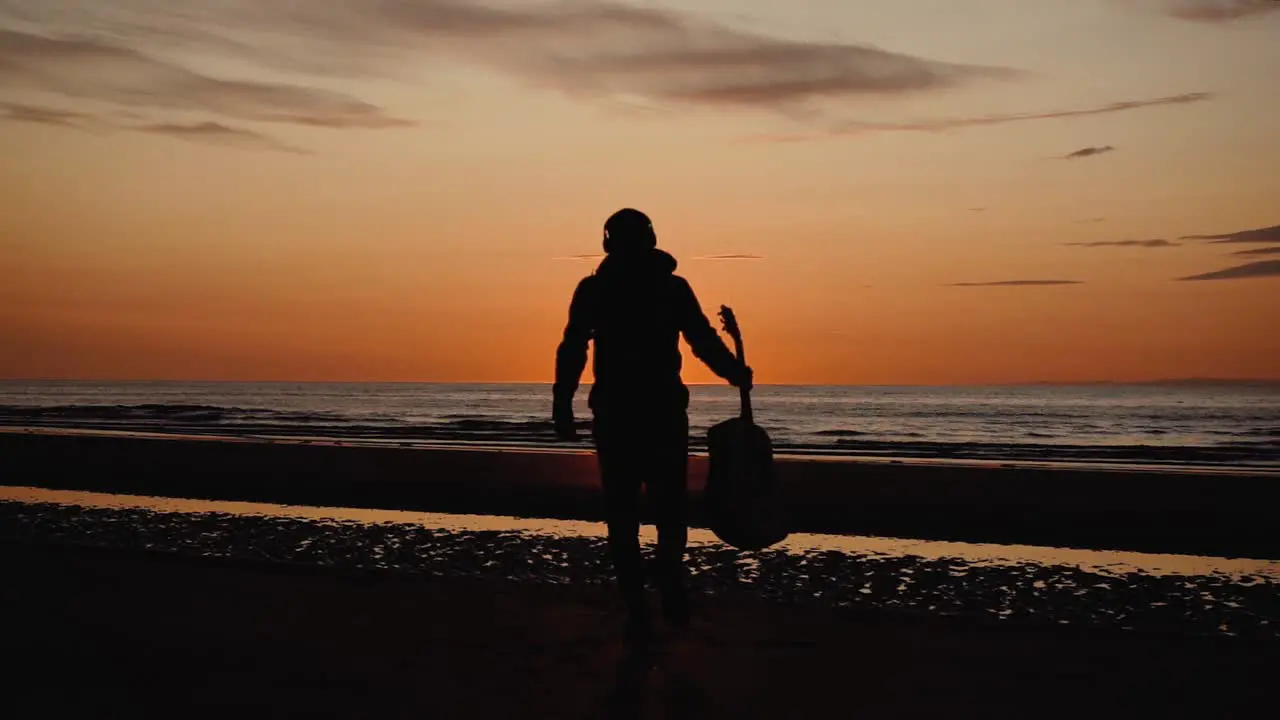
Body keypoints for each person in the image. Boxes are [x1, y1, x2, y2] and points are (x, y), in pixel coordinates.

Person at [552, 208, 753, 638]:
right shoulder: (662, 288)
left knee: (626, 513)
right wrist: (733, 370)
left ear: (608, 243)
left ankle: (642, 598)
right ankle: (663, 585)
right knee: (666, 509)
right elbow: (702, 341)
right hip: (652, 414)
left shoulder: (601, 289)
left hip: (623, 415)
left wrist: (562, 404)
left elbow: (572, 349)